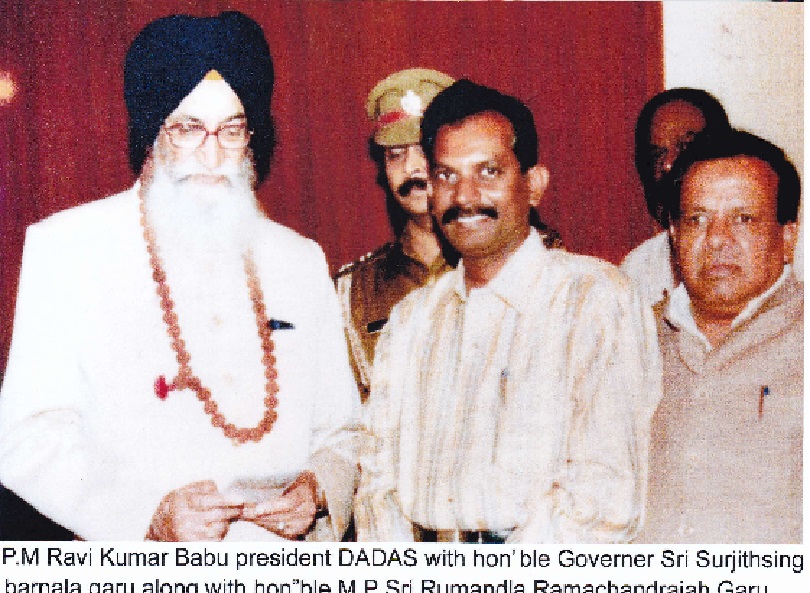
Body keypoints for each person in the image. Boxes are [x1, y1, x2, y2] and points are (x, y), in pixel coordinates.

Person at [0, 12, 359, 541]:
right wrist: (145, 514)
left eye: (232, 131)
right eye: (188, 129)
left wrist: (320, 488)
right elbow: (28, 436)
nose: (213, 157)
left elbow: (344, 432)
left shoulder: (299, 260)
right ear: (150, 132)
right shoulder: (68, 249)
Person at [354, 80, 662, 543]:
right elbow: (377, 485)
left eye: (489, 172)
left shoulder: (595, 301)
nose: (465, 196)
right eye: (447, 176)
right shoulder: (412, 321)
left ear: (533, 185)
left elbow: (604, 498)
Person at [638, 130, 801, 543]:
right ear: (674, 235)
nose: (717, 240)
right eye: (697, 219)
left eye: (743, 219)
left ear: (787, 238)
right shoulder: (630, 339)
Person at [334, 68, 455, 403]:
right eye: (395, 154)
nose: (411, 168)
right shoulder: (354, 292)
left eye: (424, 149)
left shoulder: (504, 268)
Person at [621, 88, 731, 305]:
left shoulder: (753, 249)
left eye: (686, 147)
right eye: (657, 155)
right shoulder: (638, 268)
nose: (668, 165)